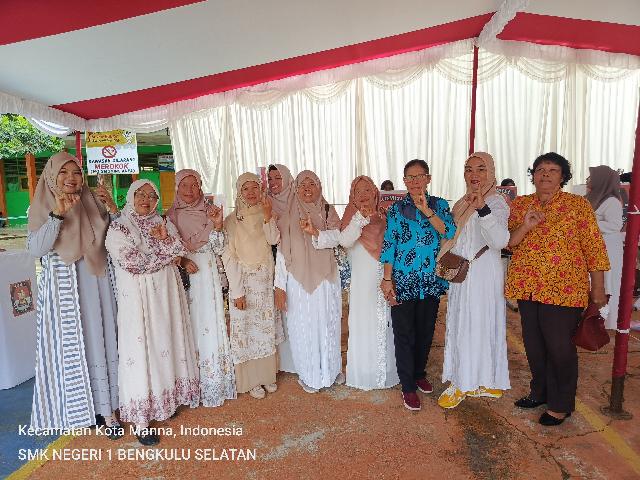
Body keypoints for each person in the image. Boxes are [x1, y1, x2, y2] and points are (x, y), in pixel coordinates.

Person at [507, 152, 609, 426]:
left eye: (553, 170)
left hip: (564, 289)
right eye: (540, 169)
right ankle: (539, 391)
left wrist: (598, 288)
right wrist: (526, 225)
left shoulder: (577, 205)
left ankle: (560, 405)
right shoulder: (521, 205)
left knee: (560, 347)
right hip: (527, 287)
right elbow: (510, 243)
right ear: (533, 175)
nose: (546, 174)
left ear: (563, 177)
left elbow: (594, 248)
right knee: (534, 345)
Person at [27, 152, 121, 437]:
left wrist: (113, 209)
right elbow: (36, 249)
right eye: (63, 172)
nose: (71, 178)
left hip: (98, 283)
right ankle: (80, 410)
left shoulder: (92, 202)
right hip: (65, 292)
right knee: (73, 348)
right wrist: (58, 214)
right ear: (51, 176)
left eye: (77, 172)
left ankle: (108, 409)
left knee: (102, 342)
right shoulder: (42, 207)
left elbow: (117, 237)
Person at [105, 180, 200, 445]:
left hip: (167, 294)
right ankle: (142, 421)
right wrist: (166, 253)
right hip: (139, 299)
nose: (146, 200)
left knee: (166, 345)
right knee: (142, 351)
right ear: (131, 197)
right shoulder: (119, 226)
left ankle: (166, 401)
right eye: (141, 194)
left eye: (152, 196)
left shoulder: (162, 222)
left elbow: (179, 250)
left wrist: (165, 244)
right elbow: (133, 262)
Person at [380, 159, 456, 411]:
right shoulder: (396, 210)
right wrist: (387, 279)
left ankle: (419, 373)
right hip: (403, 281)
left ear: (428, 179)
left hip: (430, 281)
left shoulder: (440, 205)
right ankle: (408, 385)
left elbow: (449, 232)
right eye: (409, 178)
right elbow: (390, 244)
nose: (414, 182)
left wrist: (426, 210)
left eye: (419, 176)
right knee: (404, 333)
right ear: (404, 181)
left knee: (425, 331)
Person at [312, 176, 399, 390]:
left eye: (367, 190)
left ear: (375, 192)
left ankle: (385, 371)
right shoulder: (352, 215)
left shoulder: (385, 216)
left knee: (384, 321)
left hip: (383, 276)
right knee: (362, 322)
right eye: (358, 191)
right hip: (361, 281)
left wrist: (375, 217)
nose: (363, 195)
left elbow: (393, 244)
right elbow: (345, 240)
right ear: (352, 195)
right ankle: (364, 372)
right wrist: (361, 217)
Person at [437, 153, 511, 408]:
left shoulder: (496, 202)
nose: (474, 174)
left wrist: (482, 209)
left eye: (481, 169)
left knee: (478, 324)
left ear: (490, 172)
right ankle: (481, 379)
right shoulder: (462, 202)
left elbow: (500, 241)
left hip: (483, 273)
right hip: (463, 272)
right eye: (469, 169)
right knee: (466, 323)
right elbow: (451, 235)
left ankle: (465, 382)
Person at [166, 169, 236, 407]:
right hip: (185, 278)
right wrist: (183, 260)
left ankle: (213, 381)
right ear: (177, 187)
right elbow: (167, 249)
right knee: (189, 325)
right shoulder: (170, 217)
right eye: (184, 185)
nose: (189, 190)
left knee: (210, 324)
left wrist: (217, 225)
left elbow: (219, 247)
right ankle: (192, 383)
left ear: (200, 187)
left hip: (208, 275)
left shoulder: (211, 210)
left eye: (194, 185)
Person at [221, 173, 282, 399]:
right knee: (246, 330)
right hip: (243, 282)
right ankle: (251, 381)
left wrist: (267, 217)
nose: (251, 193)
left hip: (265, 281)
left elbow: (273, 240)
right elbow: (229, 257)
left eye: (254, 188)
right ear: (239, 192)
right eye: (245, 189)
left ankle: (266, 376)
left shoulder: (268, 213)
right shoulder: (231, 221)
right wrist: (237, 291)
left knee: (264, 330)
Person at [282, 170, 344, 393]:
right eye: (302, 184)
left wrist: (315, 232)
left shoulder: (328, 209)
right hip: (298, 281)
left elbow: (339, 237)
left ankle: (331, 371)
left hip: (326, 277)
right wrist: (279, 286)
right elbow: (282, 254)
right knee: (304, 328)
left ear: (319, 186)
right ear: (296, 188)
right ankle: (309, 376)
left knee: (329, 324)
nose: (307, 188)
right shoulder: (288, 215)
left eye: (312, 184)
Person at [267, 164, 297, 374]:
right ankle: (283, 362)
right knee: (278, 309)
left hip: (295, 261)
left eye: (278, 178)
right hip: (272, 260)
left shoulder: (298, 199)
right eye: (270, 179)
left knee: (294, 307)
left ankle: (298, 359)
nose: (274, 183)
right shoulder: (265, 202)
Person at [586, 166, 624, 330]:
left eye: (591, 177)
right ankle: (591, 320)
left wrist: (589, 223)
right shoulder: (590, 198)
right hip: (593, 248)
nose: (588, 180)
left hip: (608, 250)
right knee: (593, 284)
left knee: (608, 284)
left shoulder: (612, 201)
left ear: (601, 180)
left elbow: (615, 225)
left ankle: (608, 322)